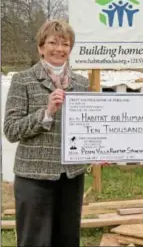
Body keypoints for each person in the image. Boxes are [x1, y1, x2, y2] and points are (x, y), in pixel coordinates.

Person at [4, 20, 89, 247]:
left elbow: (87, 128)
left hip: (72, 176)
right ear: (41, 47)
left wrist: (99, 147)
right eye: (52, 42)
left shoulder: (81, 83)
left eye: (65, 43)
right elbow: (11, 130)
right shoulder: (23, 80)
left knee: (68, 239)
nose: (59, 49)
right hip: (34, 178)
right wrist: (47, 113)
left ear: (70, 48)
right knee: (35, 241)